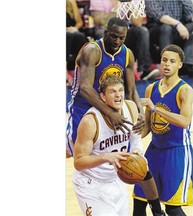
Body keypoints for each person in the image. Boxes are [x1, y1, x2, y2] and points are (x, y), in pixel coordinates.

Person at [72, 76, 165, 216]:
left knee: (143, 165)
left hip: (116, 181)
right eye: (112, 91)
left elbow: (135, 139)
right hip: (91, 185)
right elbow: (78, 162)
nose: (118, 95)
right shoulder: (90, 121)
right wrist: (105, 157)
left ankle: (158, 211)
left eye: (121, 90)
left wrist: (137, 151)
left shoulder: (130, 107)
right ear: (102, 97)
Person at [66, 17, 144, 158]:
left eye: (122, 38)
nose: (117, 41)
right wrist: (110, 113)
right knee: (75, 149)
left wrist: (140, 113)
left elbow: (131, 91)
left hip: (109, 106)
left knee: (105, 148)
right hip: (83, 105)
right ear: (105, 32)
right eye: (114, 36)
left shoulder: (127, 54)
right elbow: (85, 88)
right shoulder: (92, 51)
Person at [133, 44, 193, 216]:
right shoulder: (151, 88)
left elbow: (184, 121)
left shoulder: (185, 90)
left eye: (172, 61)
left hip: (177, 152)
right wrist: (131, 137)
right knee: (139, 200)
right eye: (164, 60)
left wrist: (156, 109)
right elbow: (148, 125)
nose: (167, 64)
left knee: (172, 208)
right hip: (154, 150)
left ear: (180, 65)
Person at [144, 0, 193, 78]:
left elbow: (190, 14)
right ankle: (167, 66)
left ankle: (187, 65)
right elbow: (157, 15)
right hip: (157, 27)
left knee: (192, 26)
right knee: (166, 28)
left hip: (179, 28)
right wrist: (177, 24)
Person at [66, 0, 88, 84]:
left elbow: (79, 23)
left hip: (72, 32)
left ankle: (84, 73)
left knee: (80, 37)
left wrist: (75, 28)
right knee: (67, 35)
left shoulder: (71, 2)